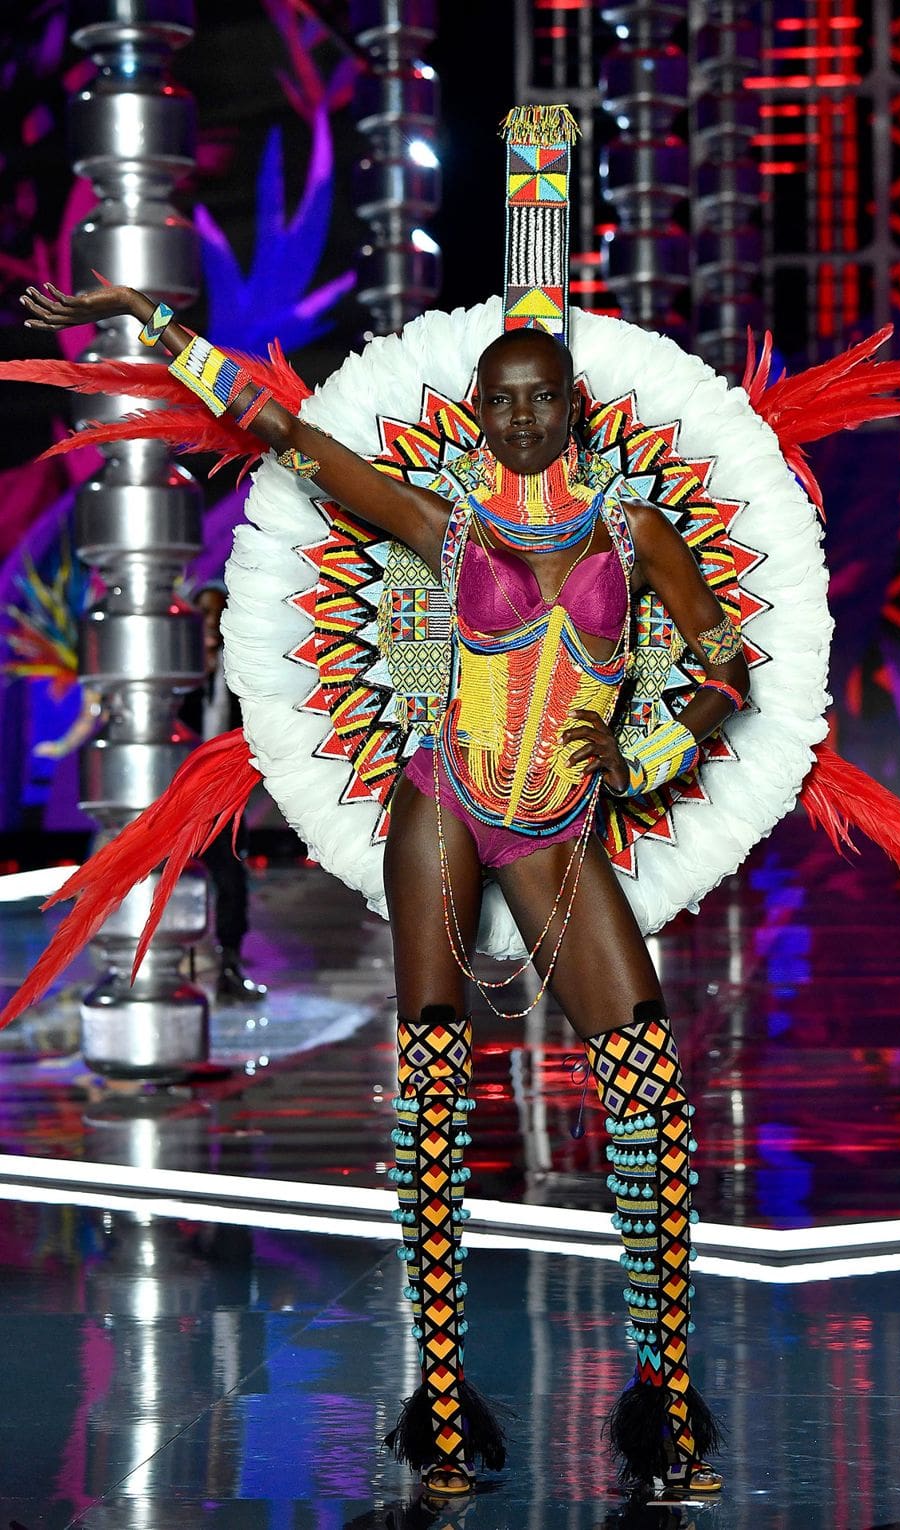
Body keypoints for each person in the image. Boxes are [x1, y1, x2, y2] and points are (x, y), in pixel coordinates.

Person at [21, 273, 743, 1502]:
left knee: (650, 1091)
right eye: (501, 403)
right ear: (479, 413)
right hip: (444, 808)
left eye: (541, 399)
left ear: (572, 405)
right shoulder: (443, 529)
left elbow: (725, 658)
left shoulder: (635, 534)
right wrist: (155, 323)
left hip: (558, 825)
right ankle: (442, 1408)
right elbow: (287, 436)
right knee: (433, 1093)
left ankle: (665, 1406)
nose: (522, 419)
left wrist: (657, 746)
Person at [178, 581, 267, 1003]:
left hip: (223, 802)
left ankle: (230, 966)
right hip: (175, 801)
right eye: (205, 615)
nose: (212, 623)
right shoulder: (178, 672)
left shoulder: (242, 672)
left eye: (220, 613)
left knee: (232, 882)